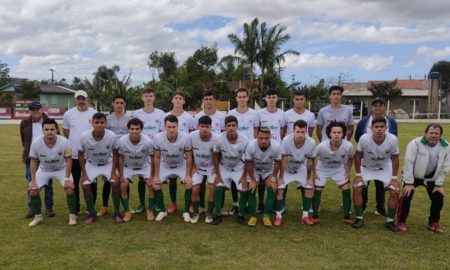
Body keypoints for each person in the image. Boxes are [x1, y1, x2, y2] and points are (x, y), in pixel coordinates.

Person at [397, 123, 450, 233]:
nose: (434, 135)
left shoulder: (446, 146)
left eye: (436, 133)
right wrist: (409, 183)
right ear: (425, 133)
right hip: (413, 175)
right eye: (431, 133)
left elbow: (445, 167)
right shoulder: (415, 143)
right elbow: (408, 163)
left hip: (431, 178)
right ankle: (401, 221)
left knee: (438, 196)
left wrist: (438, 184)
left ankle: (433, 222)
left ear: (440, 135)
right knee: (407, 194)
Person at [352, 117, 400, 232]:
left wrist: (394, 178)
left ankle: (390, 221)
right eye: (376, 127)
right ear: (371, 128)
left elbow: (395, 158)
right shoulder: (364, 138)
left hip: (384, 167)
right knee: (357, 188)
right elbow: (357, 156)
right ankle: (359, 218)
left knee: (395, 191)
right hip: (367, 167)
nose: (379, 129)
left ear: (386, 128)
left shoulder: (392, 139)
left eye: (382, 127)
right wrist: (358, 174)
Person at [27, 118, 77, 227]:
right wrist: (33, 180)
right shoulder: (36, 142)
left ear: (56, 130)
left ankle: (72, 216)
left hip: (61, 169)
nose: (49, 132)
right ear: (42, 131)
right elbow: (33, 161)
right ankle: (38, 217)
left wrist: (67, 179)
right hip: (44, 169)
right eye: (46, 129)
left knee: (69, 189)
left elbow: (68, 161)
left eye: (52, 129)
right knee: (33, 191)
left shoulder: (64, 141)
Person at [355, 97, 398, 217]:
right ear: (372, 108)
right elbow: (358, 137)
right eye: (375, 106)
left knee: (380, 184)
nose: (378, 108)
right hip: (367, 157)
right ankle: (362, 207)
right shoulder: (364, 121)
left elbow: (394, 139)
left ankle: (380, 208)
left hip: (384, 158)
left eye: (381, 105)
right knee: (363, 184)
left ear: (385, 107)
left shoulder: (391, 122)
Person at [78, 113, 121, 224]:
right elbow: (81, 154)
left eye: (102, 122)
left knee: (115, 182)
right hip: (91, 164)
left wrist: (113, 173)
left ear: (106, 123)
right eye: (96, 122)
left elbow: (116, 154)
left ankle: (117, 212)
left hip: (108, 163)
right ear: (92, 123)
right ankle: (91, 213)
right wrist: (84, 173)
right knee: (85, 184)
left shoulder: (112, 136)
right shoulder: (84, 136)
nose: (99, 125)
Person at [152, 115, 193, 222]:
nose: (171, 129)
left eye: (173, 127)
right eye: (169, 127)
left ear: (177, 126)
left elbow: (189, 157)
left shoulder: (186, 137)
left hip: (180, 165)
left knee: (189, 184)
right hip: (165, 165)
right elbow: (156, 157)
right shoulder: (158, 137)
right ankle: (162, 210)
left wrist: (188, 175)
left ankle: (185, 211)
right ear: (164, 127)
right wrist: (156, 175)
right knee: (156, 185)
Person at [312, 121, 354, 225]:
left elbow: (351, 158)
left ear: (343, 134)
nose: (336, 134)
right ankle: (315, 214)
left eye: (339, 132)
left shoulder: (348, 146)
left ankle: (346, 215)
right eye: (334, 132)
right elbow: (312, 159)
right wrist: (314, 172)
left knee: (346, 187)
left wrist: (348, 172)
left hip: (338, 168)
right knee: (318, 188)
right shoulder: (321, 146)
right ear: (329, 133)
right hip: (323, 168)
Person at [131, 88, 164, 215]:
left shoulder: (161, 113)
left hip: (155, 150)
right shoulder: (136, 113)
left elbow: (162, 132)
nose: (149, 98)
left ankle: (155, 202)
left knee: (154, 176)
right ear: (142, 98)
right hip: (141, 149)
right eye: (146, 96)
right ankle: (141, 203)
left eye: (151, 96)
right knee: (141, 177)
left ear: (154, 98)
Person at [63, 90, 97, 214]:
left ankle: (90, 207)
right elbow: (66, 131)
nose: (81, 101)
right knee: (75, 181)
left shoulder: (94, 113)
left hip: (90, 155)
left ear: (87, 99)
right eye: (79, 99)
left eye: (83, 99)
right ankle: (76, 208)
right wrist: (74, 143)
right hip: (74, 156)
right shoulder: (68, 114)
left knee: (91, 181)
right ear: (75, 100)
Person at [277, 120, 316, 226]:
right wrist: (281, 177)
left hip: (300, 168)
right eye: (298, 132)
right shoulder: (286, 140)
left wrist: (309, 178)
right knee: (280, 189)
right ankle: (278, 215)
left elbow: (310, 161)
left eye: (303, 132)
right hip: (286, 169)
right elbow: (283, 160)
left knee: (309, 188)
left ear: (306, 132)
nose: (300, 134)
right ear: (293, 131)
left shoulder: (311, 142)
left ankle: (305, 216)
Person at [211, 116, 248, 225]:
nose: (231, 128)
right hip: (224, 167)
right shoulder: (219, 139)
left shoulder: (244, 139)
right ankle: (218, 215)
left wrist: (244, 176)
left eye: (233, 125)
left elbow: (248, 160)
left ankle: (241, 215)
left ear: (237, 126)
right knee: (218, 188)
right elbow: (215, 157)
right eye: (228, 126)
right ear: (225, 127)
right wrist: (218, 175)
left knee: (243, 189)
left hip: (239, 168)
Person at [20, 101, 55, 218]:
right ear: (30, 111)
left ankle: (49, 208)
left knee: (48, 184)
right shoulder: (24, 122)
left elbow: (57, 137)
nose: (35, 112)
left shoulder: (49, 122)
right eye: (32, 110)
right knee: (31, 182)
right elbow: (23, 140)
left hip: (46, 157)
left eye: (37, 109)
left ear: (41, 109)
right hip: (31, 157)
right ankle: (32, 208)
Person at [163, 91, 195, 214]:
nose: (177, 100)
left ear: (184, 101)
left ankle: (190, 204)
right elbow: (163, 134)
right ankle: (173, 203)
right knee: (172, 179)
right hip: (170, 153)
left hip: (185, 152)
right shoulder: (165, 116)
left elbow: (192, 134)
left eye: (180, 98)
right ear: (172, 100)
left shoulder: (189, 117)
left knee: (189, 178)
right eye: (175, 98)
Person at [243, 127, 282, 227]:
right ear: (257, 137)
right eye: (261, 138)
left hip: (268, 170)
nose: (263, 141)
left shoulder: (276, 146)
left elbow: (277, 163)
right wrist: (252, 179)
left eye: (266, 138)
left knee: (272, 188)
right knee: (251, 188)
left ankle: (266, 216)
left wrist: (273, 179)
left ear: (270, 137)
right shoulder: (251, 145)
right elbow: (248, 163)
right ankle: (253, 216)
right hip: (254, 169)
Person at [117, 118, 154, 222]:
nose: (134, 131)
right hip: (129, 167)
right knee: (123, 185)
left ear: (141, 130)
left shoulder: (148, 142)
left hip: (144, 166)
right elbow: (120, 158)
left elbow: (152, 157)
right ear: (128, 129)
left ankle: (150, 210)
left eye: (137, 129)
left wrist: (152, 176)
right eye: (132, 129)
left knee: (151, 184)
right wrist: (122, 175)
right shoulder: (122, 141)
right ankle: (127, 211)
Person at [256, 89, 286, 214]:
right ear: (265, 99)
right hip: (263, 148)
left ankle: (276, 203)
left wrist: (277, 142)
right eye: (269, 97)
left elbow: (282, 130)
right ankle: (261, 203)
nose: (272, 99)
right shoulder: (260, 113)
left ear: (277, 98)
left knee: (275, 176)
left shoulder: (282, 114)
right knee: (262, 176)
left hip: (275, 149)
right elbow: (257, 130)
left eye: (274, 97)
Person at [188, 115, 218, 223]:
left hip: (212, 168)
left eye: (207, 126)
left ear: (211, 127)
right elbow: (189, 153)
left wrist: (216, 169)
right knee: (195, 188)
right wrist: (193, 167)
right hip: (197, 168)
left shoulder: (216, 138)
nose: (204, 129)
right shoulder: (191, 136)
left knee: (212, 188)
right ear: (198, 126)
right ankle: (196, 213)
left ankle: (209, 214)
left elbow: (219, 155)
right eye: (202, 126)